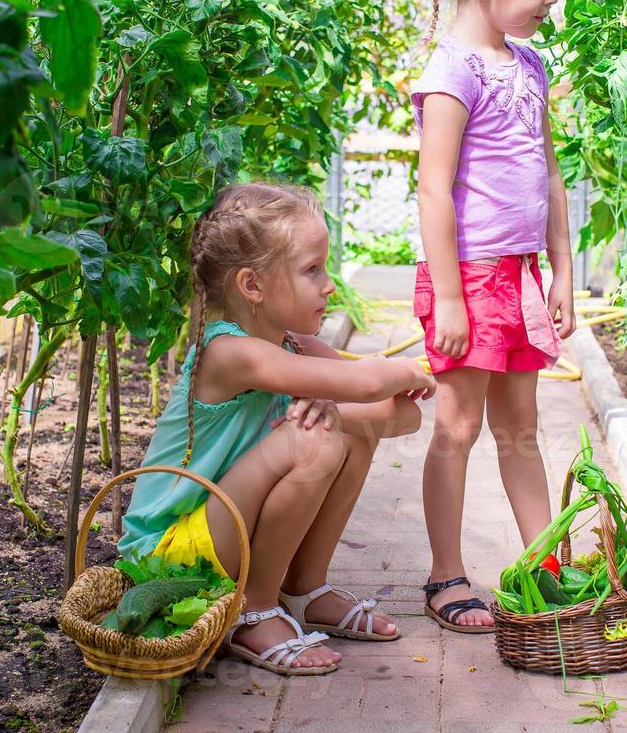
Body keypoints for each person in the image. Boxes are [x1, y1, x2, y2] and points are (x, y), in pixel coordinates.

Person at [119, 182, 435, 675]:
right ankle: (253, 610)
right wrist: (412, 370)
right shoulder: (228, 353)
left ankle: (305, 589)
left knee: (342, 433)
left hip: (222, 533)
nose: (328, 284)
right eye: (312, 270)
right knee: (315, 442)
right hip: (170, 555)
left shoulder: (294, 346)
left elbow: (401, 417)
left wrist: (336, 411)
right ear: (252, 286)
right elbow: (372, 382)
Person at [411, 0, 577, 633]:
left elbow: (548, 175)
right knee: (456, 428)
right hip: (471, 280)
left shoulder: (531, 66)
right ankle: (446, 574)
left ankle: (546, 566)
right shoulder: (455, 72)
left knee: (520, 429)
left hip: (520, 278)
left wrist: (562, 272)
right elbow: (434, 191)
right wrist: (448, 296)